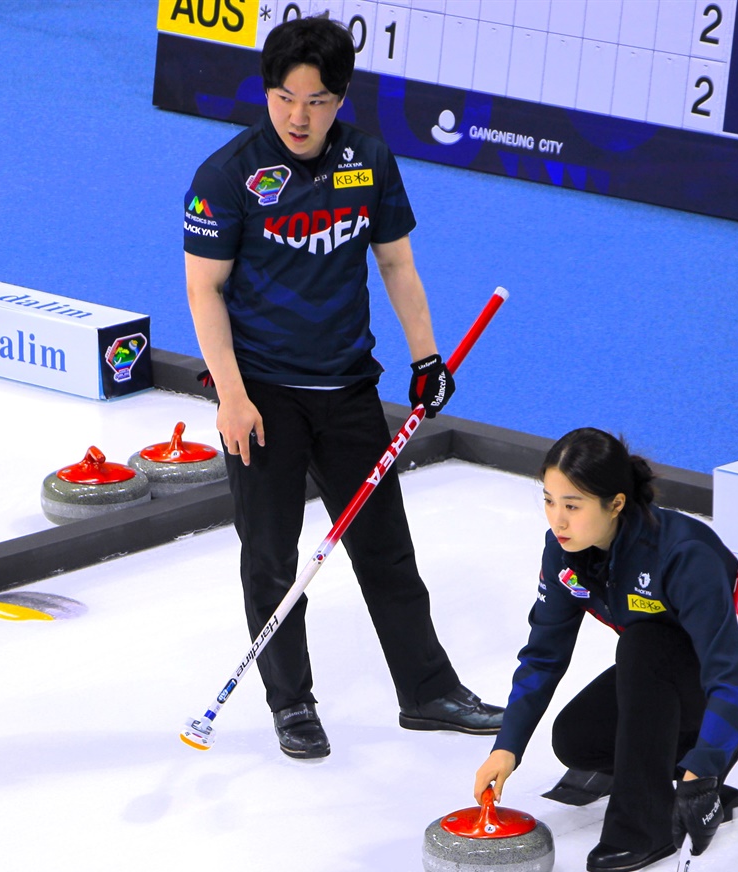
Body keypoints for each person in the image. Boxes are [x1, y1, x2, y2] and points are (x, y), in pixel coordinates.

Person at [183, 15, 502, 760]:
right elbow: (205, 292)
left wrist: (427, 359)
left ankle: (427, 691)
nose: (300, 116)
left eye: (319, 100)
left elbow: (396, 264)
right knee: (270, 555)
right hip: (263, 396)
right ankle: (291, 702)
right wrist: (231, 395)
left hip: (348, 386)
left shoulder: (370, 161)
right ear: (266, 92)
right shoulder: (227, 176)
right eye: (286, 98)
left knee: (387, 550)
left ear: (341, 97)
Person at [473, 428, 738, 872]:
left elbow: (726, 671)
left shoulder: (682, 553)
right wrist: (507, 746)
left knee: (644, 643)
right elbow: (543, 654)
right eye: (549, 500)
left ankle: (644, 828)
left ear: (616, 503)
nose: (558, 520)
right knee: (578, 738)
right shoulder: (564, 551)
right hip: (676, 666)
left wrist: (705, 767)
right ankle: (678, 766)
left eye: (572, 505)